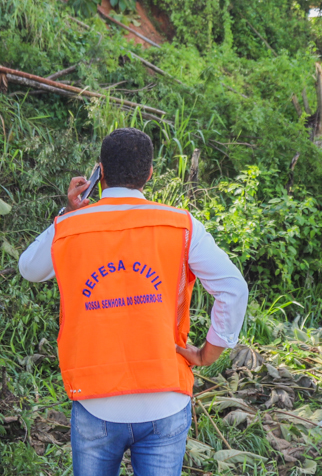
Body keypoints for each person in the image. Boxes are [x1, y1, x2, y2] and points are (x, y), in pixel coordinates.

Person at [18, 128, 249, 476]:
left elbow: (29, 268)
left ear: (100, 173)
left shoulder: (71, 227)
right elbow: (234, 290)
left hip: (95, 399)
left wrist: (68, 214)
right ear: (150, 174)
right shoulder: (182, 226)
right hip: (166, 397)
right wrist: (207, 353)